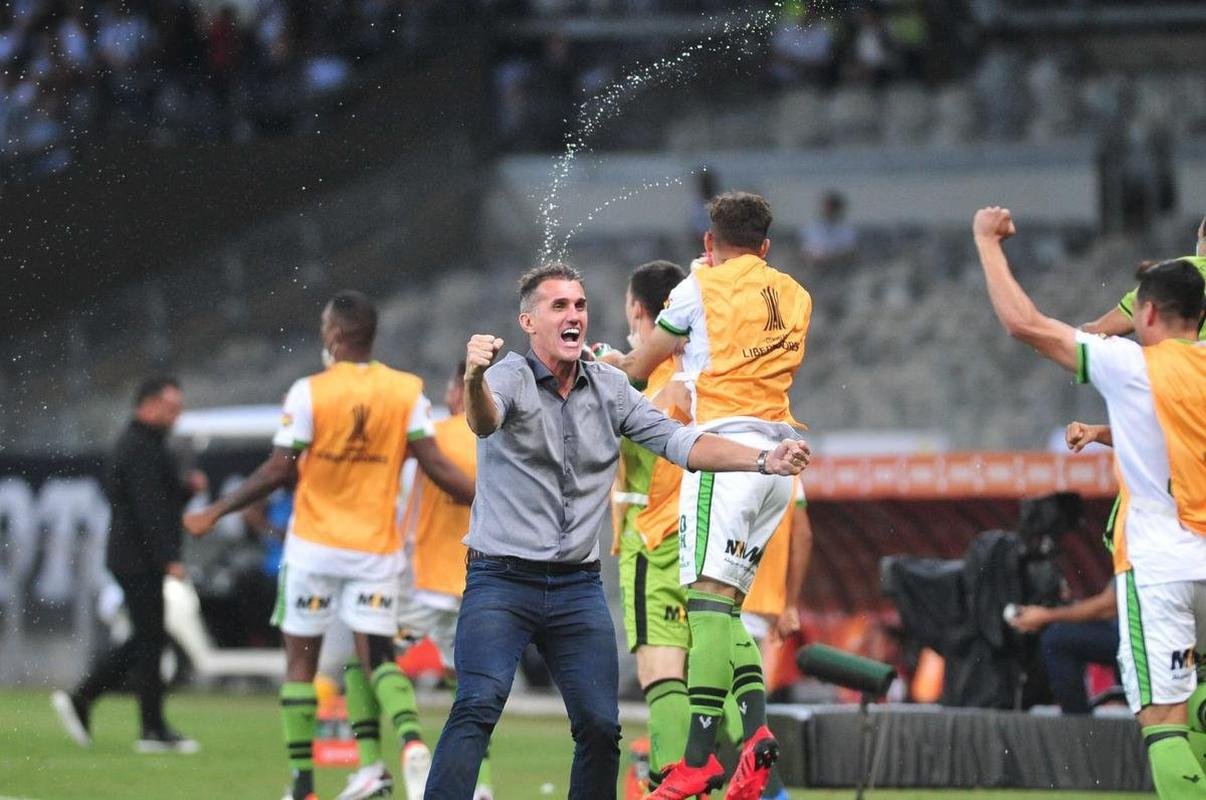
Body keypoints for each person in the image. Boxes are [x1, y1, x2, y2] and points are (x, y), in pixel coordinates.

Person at [423, 263, 811, 800]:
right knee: (479, 704)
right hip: (501, 580)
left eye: (579, 305)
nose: (574, 315)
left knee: (602, 729)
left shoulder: (610, 387)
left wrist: (764, 457)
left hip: (575, 588)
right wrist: (470, 377)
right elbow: (484, 421)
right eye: (558, 306)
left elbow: (684, 444)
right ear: (528, 321)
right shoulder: (506, 376)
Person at [183, 290, 474, 800]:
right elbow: (438, 466)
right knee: (378, 658)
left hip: (315, 547)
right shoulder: (406, 391)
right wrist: (491, 504)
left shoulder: (308, 392)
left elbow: (279, 469)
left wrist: (217, 508)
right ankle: (408, 745)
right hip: (375, 551)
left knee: (301, 663)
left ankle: (303, 786)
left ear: (334, 335)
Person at [973, 206, 1206, 799]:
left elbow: (1025, 324)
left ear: (1146, 313)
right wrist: (1106, 434)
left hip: (1159, 566)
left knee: (1163, 721)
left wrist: (987, 242)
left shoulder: (1130, 366)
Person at [603, 191, 813, 800]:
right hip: (776, 465)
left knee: (707, 611)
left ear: (708, 242)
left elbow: (642, 366)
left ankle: (696, 760)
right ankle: (753, 736)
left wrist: (614, 361)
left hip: (722, 457)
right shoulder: (797, 295)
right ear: (767, 246)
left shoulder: (698, 290)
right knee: (726, 611)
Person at [340, 359, 493, 800]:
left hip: (419, 574)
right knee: (469, 683)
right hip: (479, 576)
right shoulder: (503, 442)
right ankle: (479, 785)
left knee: (366, 655)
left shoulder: (434, 436)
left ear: (454, 394)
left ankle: (383, 757)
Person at [52, 377, 207, 753]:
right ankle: (140, 723)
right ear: (148, 405)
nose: (176, 416)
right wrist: (168, 558)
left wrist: (186, 490)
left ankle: (95, 702)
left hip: (136, 556)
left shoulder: (146, 445)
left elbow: (160, 503)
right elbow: (147, 510)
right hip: (137, 558)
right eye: (171, 409)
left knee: (148, 639)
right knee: (150, 640)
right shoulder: (139, 447)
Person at [1081, 215, 1206, 339]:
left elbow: (1096, 332)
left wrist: (1070, 333)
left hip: (1179, 357)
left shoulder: (1180, 273)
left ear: (1201, 233)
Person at [1009, 580, 1119, 714]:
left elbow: (1109, 606)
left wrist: (1046, 616)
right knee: (1058, 637)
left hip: (1143, 640)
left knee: (1057, 640)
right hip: (1123, 633)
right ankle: (1076, 723)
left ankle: (1078, 725)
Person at [799, 190, 857, 271]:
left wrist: (831, 257)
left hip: (839, 266)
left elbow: (849, 251)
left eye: (832, 208)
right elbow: (806, 250)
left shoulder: (847, 229)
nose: (829, 211)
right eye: (827, 208)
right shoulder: (811, 228)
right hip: (814, 266)